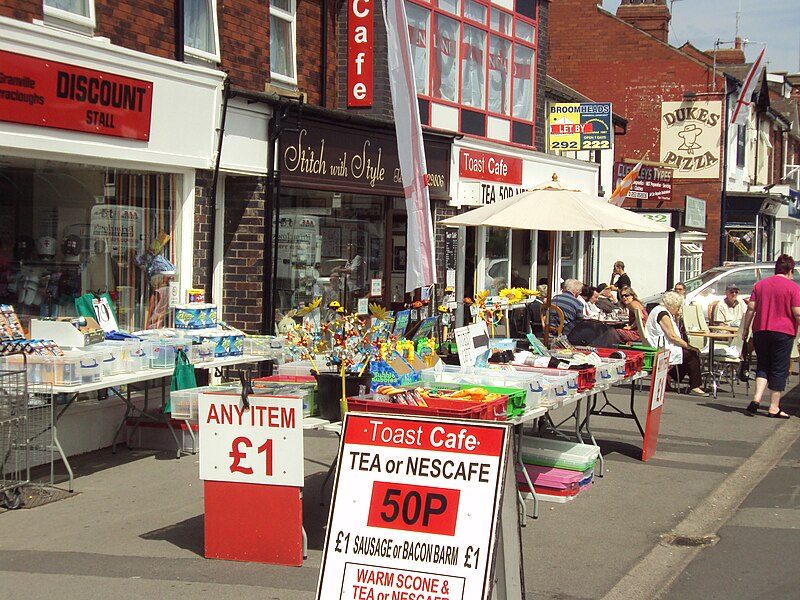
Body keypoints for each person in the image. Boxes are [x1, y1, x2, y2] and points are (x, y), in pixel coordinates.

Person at [740, 254, 800, 418]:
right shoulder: (793, 288)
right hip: (783, 331)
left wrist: (746, 329)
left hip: (760, 330)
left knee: (763, 365)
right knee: (779, 368)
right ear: (790, 270)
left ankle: (756, 399)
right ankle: (774, 407)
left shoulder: (760, 285)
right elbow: (797, 313)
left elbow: (751, 308)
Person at [645, 290, 707, 397]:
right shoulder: (663, 314)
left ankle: (670, 376)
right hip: (662, 347)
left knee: (685, 354)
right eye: (678, 307)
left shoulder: (659, 310)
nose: (678, 309)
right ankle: (695, 386)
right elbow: (672, 336)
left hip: (661, 345)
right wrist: (688, 346)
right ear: (671, 305)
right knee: (692, 354)